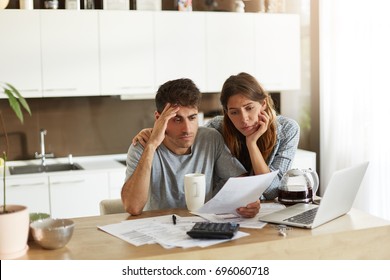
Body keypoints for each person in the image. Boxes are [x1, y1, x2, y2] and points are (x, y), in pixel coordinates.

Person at [133, 73, 300, 200]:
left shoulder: (287, 130)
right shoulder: (217, 127)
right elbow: (186, 137)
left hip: (263, 210)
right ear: (226, 112)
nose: (243, 119)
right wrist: (153, 132)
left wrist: (252, 144)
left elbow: (271, 191)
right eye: (234, 112)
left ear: (263, 103)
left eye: (249, 108)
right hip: (229, 210)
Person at [121, 78, 260, 217]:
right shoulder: (142, 146)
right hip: (158, 228)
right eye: (177, 119)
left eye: (192, 118)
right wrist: (151, 146)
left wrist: (250, 201)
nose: (187, 129)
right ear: (159, 118)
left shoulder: (210, 139)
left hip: (202, 227)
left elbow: (242, 184)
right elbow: (133, 207)